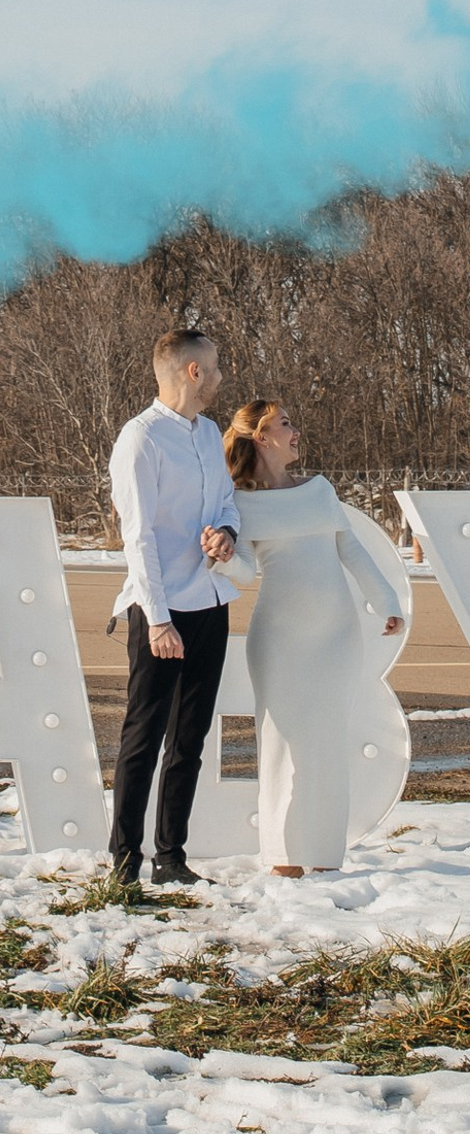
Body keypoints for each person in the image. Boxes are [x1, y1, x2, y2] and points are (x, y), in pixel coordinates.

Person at [223, 400, 405, 877]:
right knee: (281, 744)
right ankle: (282, 857)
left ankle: (324, 858)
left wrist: (386, 602)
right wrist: (221, 556)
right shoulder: (240, 502)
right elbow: (243, 572)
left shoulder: (320, 489)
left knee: (328, 744)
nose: (296, 431)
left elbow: (353, 551)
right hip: (278, 640)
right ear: (262, 437)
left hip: (337, 636)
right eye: (286, 424)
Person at [106, 328, 244, 887]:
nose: (220, 376)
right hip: (159, 610)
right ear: (193, 372)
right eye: (214, 367)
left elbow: (226, 501)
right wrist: (158, 620)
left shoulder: (209, 432)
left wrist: (226, 534)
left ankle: (171, 858)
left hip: (210, 601)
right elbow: (137, 537)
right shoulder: (140, 439)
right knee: (143, 737)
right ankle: (123, 862)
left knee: (190, 739)